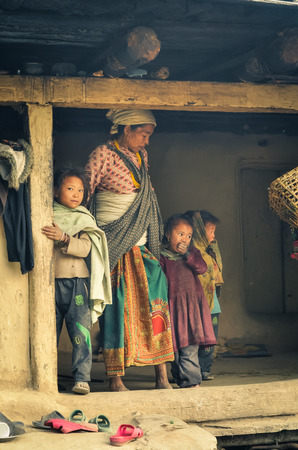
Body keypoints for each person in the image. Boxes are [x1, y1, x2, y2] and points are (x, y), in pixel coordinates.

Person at [85, 109, 174, 392]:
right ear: (126, 128)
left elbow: (145, 197)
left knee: (156, 305)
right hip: (114, 242)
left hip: (142, 243)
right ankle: (115, 378)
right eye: (143, 134)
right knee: (117, 307)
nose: (146, 142)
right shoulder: (102, 154)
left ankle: (162, 376)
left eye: (149, 135)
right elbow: (85, 195)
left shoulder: (141, 157)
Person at [42, 168, 111, 394]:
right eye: (70, 188)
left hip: (77, 283)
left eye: (80, 190)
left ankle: (82, 378)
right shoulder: (45, 214)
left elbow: (84, 248)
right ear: (55, 191)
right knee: (47, 332)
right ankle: (46, 379)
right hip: (49, 283)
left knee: (80, 332)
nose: (76, 194)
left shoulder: (83, 219)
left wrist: (63, 237)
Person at [160, 214, 216, 388]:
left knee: (190, 345)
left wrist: (188, 255)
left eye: (189, 236)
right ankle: (180, 378)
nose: (185, 239)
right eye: (180, 234)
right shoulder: (161, 257)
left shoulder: (192, 254)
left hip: (191, 308)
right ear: (168, 234)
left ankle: (192, 382)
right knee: (174, 349)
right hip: (172, 308)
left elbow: (202, 267)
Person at [185, 209, 224, 381]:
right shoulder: (190, 253)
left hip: (212, 304)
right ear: (199, 230)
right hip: (194, 304)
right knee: (192, 338)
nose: (213, 235)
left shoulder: (210, 250)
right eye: (210, 231)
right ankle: (188, 370)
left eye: (214, 231)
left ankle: (204, 369)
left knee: (210, 337)